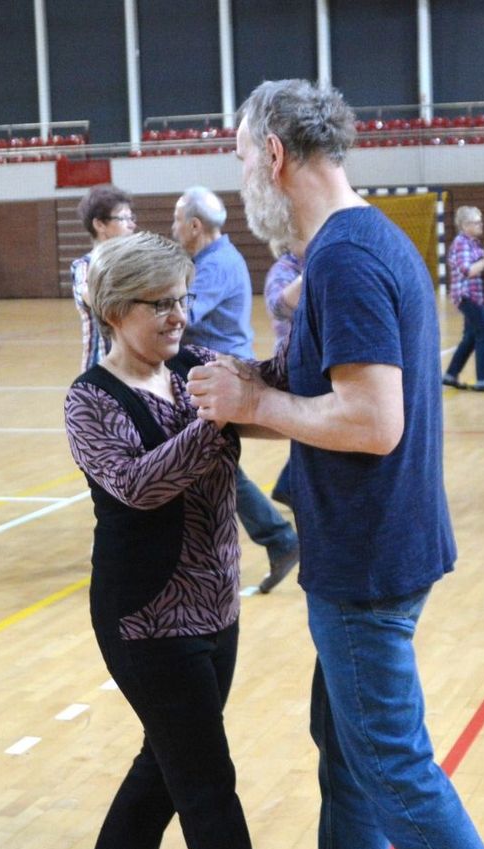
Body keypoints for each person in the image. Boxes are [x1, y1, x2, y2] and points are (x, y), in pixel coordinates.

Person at [187, 78, 484, 849]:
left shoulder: (346, 256)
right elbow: (328, 390)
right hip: (381, 540)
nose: (240, 176)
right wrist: (255, 385)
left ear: (272, 154)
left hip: (367, 555)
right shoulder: (366, 239)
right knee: (343, 738)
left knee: (391, 759)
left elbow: (370, 419)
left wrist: (254, 405)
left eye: (238, 156)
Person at [64, 230, 340, 849]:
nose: (180, 315)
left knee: (170, 749)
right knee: (204, 775)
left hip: (216, 609)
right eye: (162, 304)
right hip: (145, 616)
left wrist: (320, 323)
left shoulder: (193, 369)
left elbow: (270, 377)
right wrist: (212, 419)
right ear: (118, 312)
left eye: (183, 298)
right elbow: (138, 485)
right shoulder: (91, 399)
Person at [171, 185, 299, 593]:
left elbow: (184, 316)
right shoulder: (212, 258)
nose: (173, 228)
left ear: (194, 225)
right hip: (215, 371)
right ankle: (274, 538)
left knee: (208, 461)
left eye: (177, 220)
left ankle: (280, 537)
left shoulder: (216, 263)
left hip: (219, 373)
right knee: (206, 462)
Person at [71, 185, 137, 372]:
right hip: (100, 371)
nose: (131, 224)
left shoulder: (134, 264)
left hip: (134, 369)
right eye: (123, 218)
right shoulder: (84, 266)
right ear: (99, 224)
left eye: (131, 218)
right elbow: (96, 299)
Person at [262, 240, 303, 505]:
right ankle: (288, 486)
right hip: (292, 362)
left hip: (309, 359)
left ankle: (287, 485)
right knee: (309, 431)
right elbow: (277, 305)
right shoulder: (284, 269)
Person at [443, 206, 484, 390]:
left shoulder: (473, 243)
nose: (481, 225)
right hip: (467, 296)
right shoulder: (461, 243)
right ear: (465, 225)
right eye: (476, 222)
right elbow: (467, 270)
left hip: (476, 297)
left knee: (471, 336)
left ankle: (450, 375)